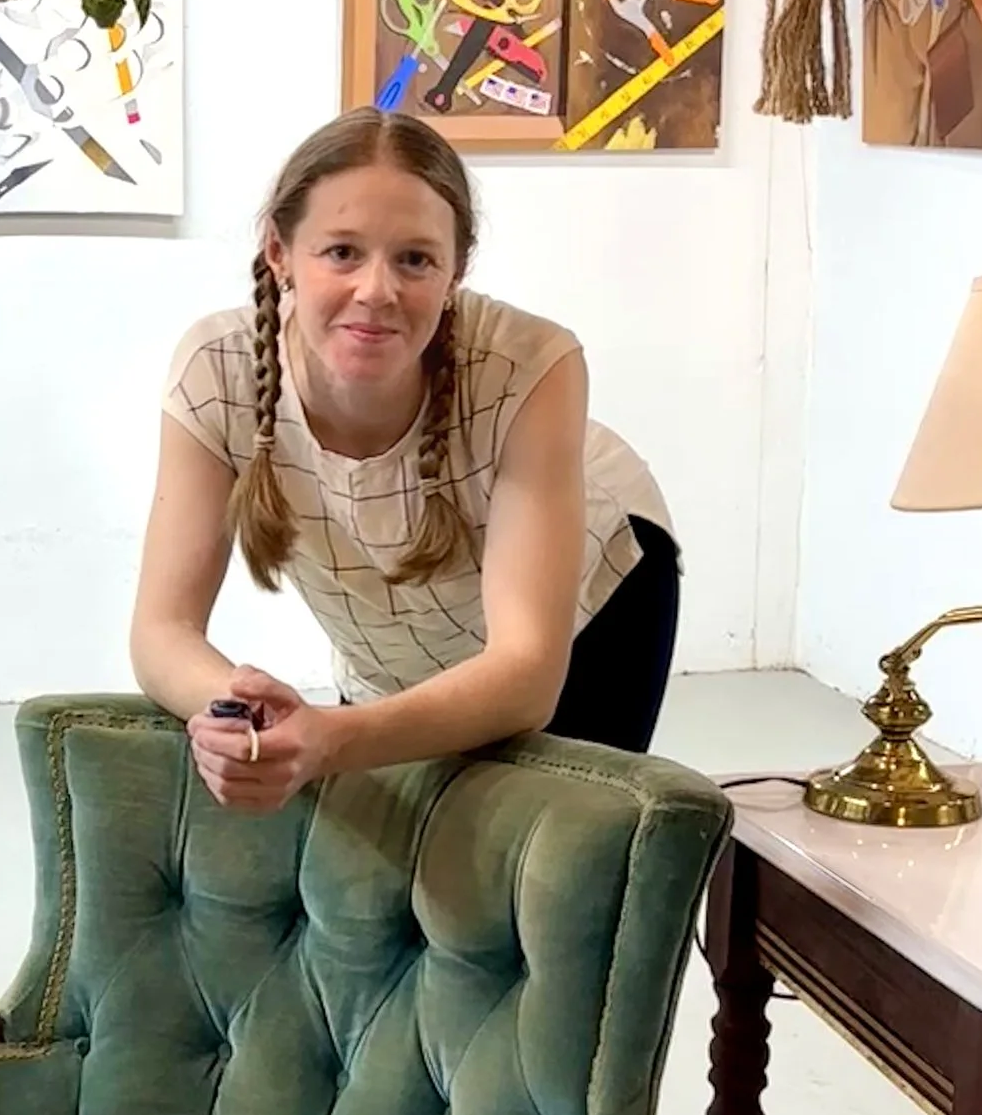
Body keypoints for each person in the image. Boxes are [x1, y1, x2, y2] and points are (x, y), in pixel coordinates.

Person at [129, 108, 681, 813]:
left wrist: (332, 739)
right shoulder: (217, 370)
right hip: (394, 631)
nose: (376, 290)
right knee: (390, 847)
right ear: (278, 251)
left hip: (590, 600)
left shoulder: (536, 364)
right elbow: (162, 630)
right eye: (342, 252)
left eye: (415, 259)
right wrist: (240, 715)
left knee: (553, 843)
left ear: (457, 270)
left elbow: (525, 675)